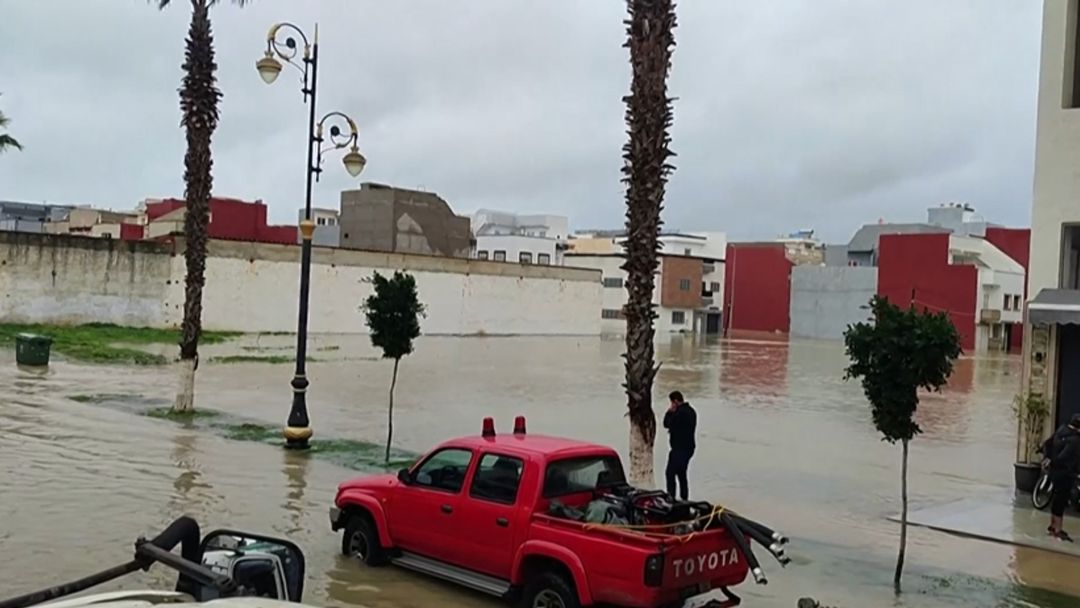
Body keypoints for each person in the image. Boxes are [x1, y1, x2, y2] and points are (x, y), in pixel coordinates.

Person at [1044, 414, 1080, 542]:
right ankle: (1058, 530)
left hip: (1054, 473)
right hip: (1065, 474)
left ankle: (1053, 526)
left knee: (1056, 498)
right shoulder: (1075, 440)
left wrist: (1048, 458)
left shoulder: (1061, 431)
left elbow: (1047, 443)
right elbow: (1064, 457)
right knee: (1061, 501)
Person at [663, 390, 697, 501]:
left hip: (679, 449)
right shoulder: (692, 411)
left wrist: (669, 412)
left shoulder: (679, 413)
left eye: (671, 403)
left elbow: (667, 424)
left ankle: (671, 497)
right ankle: (684, 498)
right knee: (682, 474)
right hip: (689, 448)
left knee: (670, 473)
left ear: (675, 401)